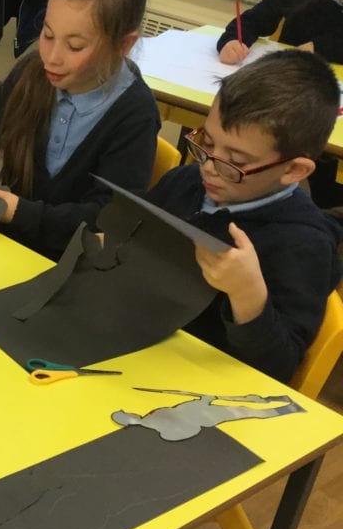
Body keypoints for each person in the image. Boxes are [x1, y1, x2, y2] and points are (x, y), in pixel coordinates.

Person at [0, 0, 160, 260]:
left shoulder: (135, 115)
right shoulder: (34, 72)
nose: (52, 57)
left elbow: (107, 219)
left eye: (75, 46)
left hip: (75, 262)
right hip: (15, 244)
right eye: (47, 34)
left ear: (123, 45)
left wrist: (18, 212)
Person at [147, 49, 343, 382]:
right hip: (141, 344)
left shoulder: (303, 245)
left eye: (236, 162)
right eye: (208, 142)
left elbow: (278, 369)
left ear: (294, 170)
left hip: (200, 386)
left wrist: (248, 295)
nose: (209, 167)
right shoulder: (184, 182)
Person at [216, 0, 343, 210]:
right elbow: (258, 17)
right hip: (287, 96)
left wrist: (321, 47)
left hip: (331, 110)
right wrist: (233, 40)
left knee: (326, 189)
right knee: (229, 125)